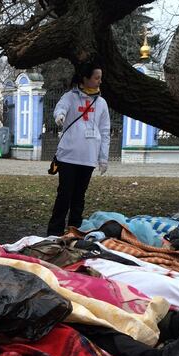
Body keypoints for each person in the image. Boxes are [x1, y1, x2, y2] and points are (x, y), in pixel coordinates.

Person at [46, 62, 111, 237]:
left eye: (100, 78)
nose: (99, 81)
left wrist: (103, 158)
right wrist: (59, 115)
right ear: (85, 78)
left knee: (79, 197)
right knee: (64, 195)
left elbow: (105, 132)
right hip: (68, 156)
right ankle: (54, 232)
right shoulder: (71, 97)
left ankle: (74, 231)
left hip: (88, 157)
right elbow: (61, 107)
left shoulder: (101, 103)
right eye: (96, 78)